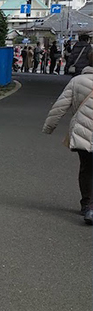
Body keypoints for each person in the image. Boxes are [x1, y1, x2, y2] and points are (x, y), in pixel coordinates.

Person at [42, 62, 93, 224]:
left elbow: (60, 105)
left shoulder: (77, 81)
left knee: (87, 168)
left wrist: (49, 126)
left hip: (82, 131)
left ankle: (87, 205)